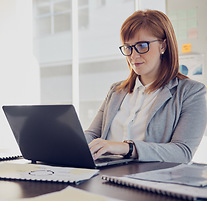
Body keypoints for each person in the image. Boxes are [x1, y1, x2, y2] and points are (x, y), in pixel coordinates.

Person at [84, 10, 206, 164]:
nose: (133, 56)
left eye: (142, 46)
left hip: (152, 182)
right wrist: (69, 142)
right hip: (105, 178)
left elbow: (183, 152)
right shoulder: (116, 91)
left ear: (163, 45)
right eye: (128, 47)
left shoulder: (191, 92)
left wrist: (127, 148)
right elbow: (93, 135)